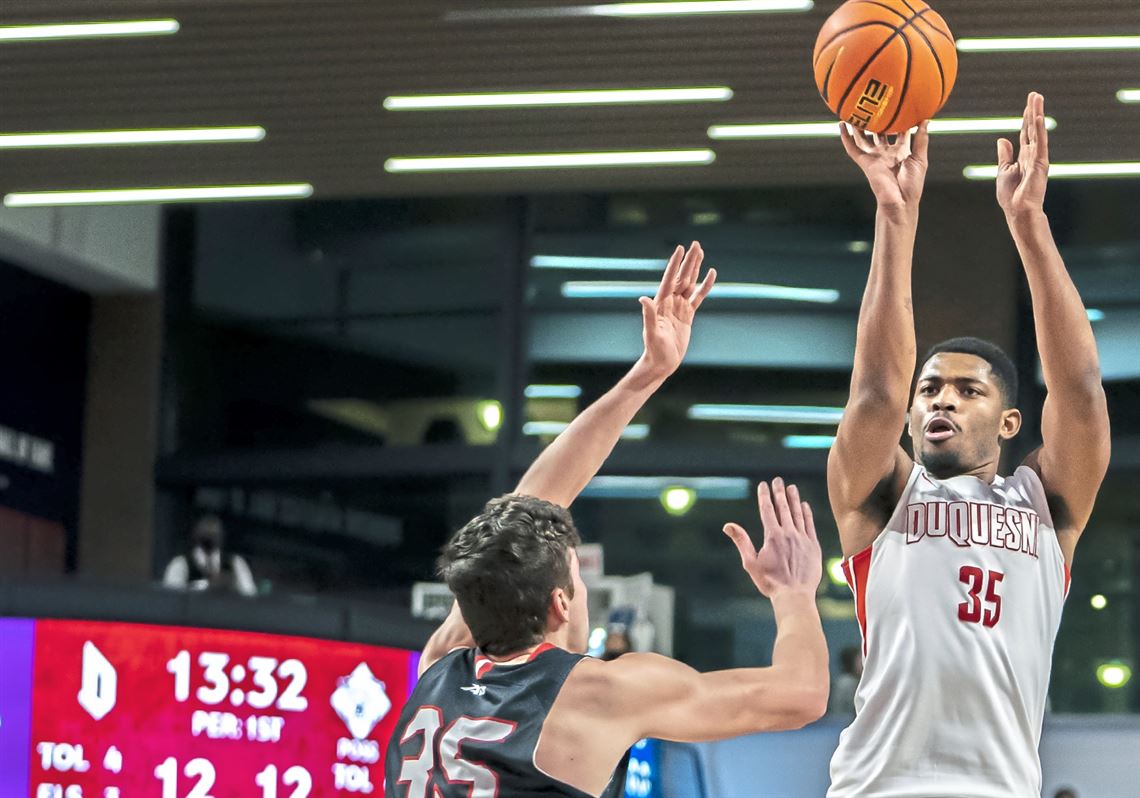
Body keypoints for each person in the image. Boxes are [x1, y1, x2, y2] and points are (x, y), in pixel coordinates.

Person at [385, 243, 829, 797]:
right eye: (574, 575)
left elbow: (532, 504)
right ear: (561, 603)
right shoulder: (600, 693)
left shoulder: (440, 666)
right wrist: (792, 593)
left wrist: (646, 375)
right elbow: (801, 695)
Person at [826, 93, 1111, 796]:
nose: (940, 399)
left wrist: (1030, 226)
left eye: (966, 390)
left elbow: (1077, 390)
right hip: (877, 787)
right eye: (930, 389)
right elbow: (875, 395)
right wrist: (897, 215)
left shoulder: (1047, 503)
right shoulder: (884, 496)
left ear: (1010, 424)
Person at [162, 514, 257, 597]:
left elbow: (250, 595)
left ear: (222, 536)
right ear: (195, 535)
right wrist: (207, 585)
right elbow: (170, 597)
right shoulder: (180, 564)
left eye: (214, 532)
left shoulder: (235, 563)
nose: (210, 535)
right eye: (207, 531)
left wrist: (232, 587)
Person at [828, 645, 862, 717]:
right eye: (859, 659)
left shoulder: (863, 680)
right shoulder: (845, 683)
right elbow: (838, 712)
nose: (862, 662)